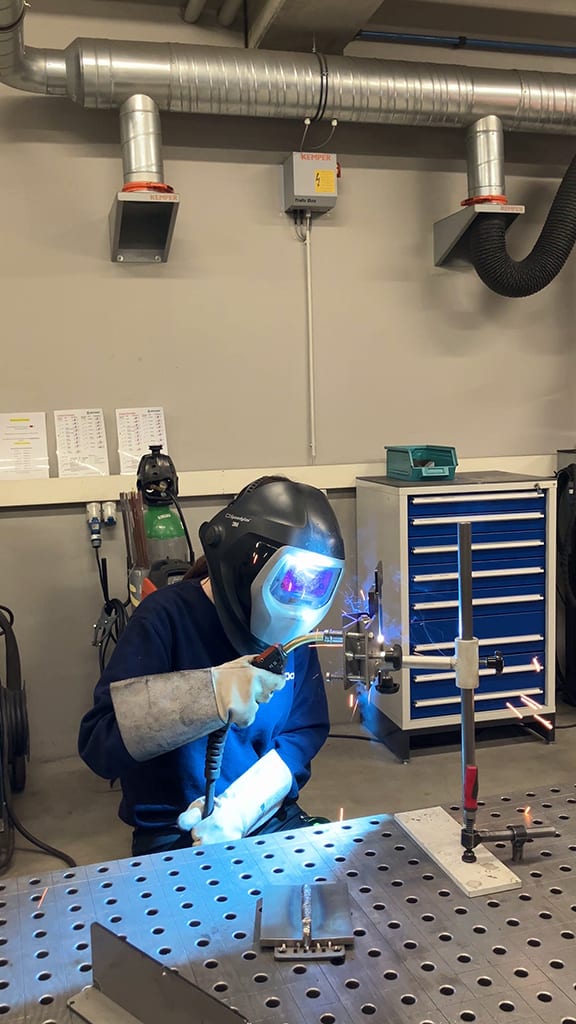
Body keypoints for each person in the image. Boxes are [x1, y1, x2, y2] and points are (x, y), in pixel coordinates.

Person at [78, 476, 345, 855]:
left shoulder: (294, 630)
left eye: (313, 587)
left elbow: (304, 731)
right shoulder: (165, 618)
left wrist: (243, 808)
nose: (298, 597)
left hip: (265, 815)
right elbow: (99, 743)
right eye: (288, 583)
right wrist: (208, 694)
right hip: (177, 833)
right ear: (244, 565)